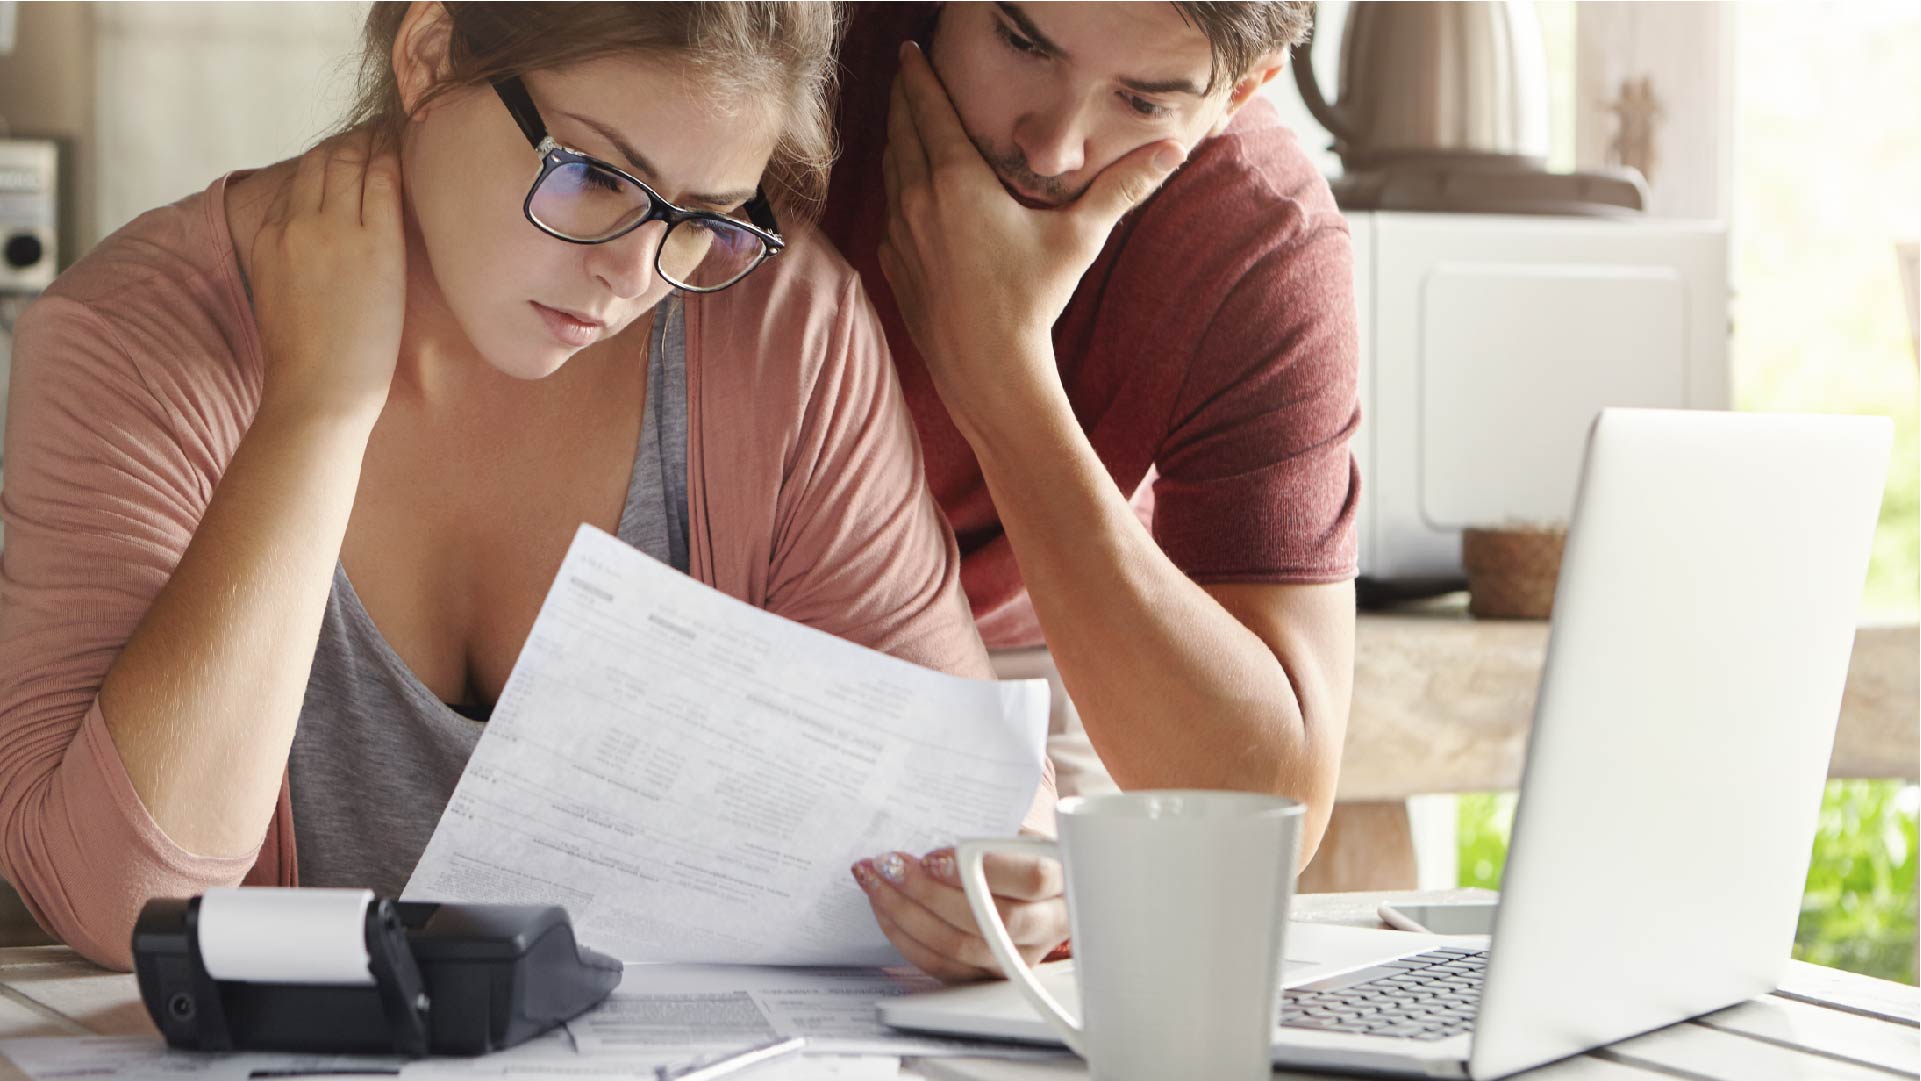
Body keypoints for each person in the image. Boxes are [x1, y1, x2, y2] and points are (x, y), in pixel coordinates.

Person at [0, 1, 1055, 974]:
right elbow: (124, 902)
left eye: (705, 215)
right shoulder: (136, 342)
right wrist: (316, 410)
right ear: (427, 52)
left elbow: (962, 807)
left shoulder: (778, 328)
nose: (637, 275)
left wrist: (1015, 891)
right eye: (597, 175)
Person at [825, 3, 1361, 981]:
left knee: (1063, 974)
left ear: (1241, 90)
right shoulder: (792, 47)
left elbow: (1266, 814)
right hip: (697, 595)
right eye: (1021, 44)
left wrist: (997, 369)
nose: (1052, 144)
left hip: (1030, 641)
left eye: (1144, 100)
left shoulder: (1258, 239)